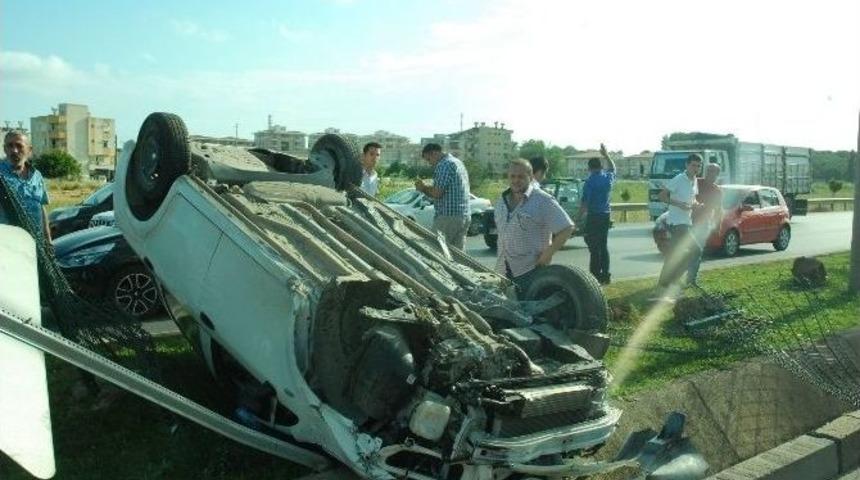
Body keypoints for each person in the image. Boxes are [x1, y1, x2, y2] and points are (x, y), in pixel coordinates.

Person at [495, 159, 574, 292]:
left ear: (531, 177)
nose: (516, 180)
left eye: (521, 176)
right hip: (502, 272)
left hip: (531, 271)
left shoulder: (542, 200)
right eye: (512, 176)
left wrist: (546, 256)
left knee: (530, 305)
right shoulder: (501, 201)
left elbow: (567, 228)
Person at [656, 153, 702, 292]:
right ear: (686, 165)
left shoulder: (695, 180)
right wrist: (679, 204)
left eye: (698, 166)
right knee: (696, 250)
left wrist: (697, 204)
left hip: (686, 221)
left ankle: (664, 284)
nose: (696, 168)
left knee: (674, 254)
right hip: (677, 223)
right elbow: (662, 196)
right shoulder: (679, 179)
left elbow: (692, 199)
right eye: (693, 165)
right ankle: (671, 281)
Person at [415, 143, 471, 249]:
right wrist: (427, 187)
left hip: (448, 217)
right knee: (457, 255)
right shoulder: (457, 162)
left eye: (428, 159)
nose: (430, 163)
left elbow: (437, 193)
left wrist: (423, 188)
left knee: (435, 251)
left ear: (433, 153)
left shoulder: (444, 165)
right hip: (463, 215)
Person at [0, 131, 51, 241]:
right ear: (4, 149)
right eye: (10, 146)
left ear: (29, 150)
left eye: (19, 146)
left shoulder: (36, 175)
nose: (14, 150)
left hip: (35, 243)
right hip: (7, 244)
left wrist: (48, 241)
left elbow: (41, 208)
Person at [578, 144, 616, 285]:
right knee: (603, 246)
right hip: (605, 215)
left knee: (593, 248)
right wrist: (606, 155)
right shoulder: (607, 178)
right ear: (601, 167)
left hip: (594, 216)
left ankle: (595, 276)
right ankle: (605, 275)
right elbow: (613, 168)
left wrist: (577, 219)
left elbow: (585, 204)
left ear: (589, 168)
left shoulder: (589, 182)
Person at [687, 163, 722, 287]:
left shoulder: (717, 191)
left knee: (698, 251)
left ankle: (691, 279)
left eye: (713, 171)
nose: (710, 173)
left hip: (704, 224)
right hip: (689, 221)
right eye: (708, 171)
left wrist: (718, 226)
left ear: (717, 174)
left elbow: (718, 209)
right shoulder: (696, 183)